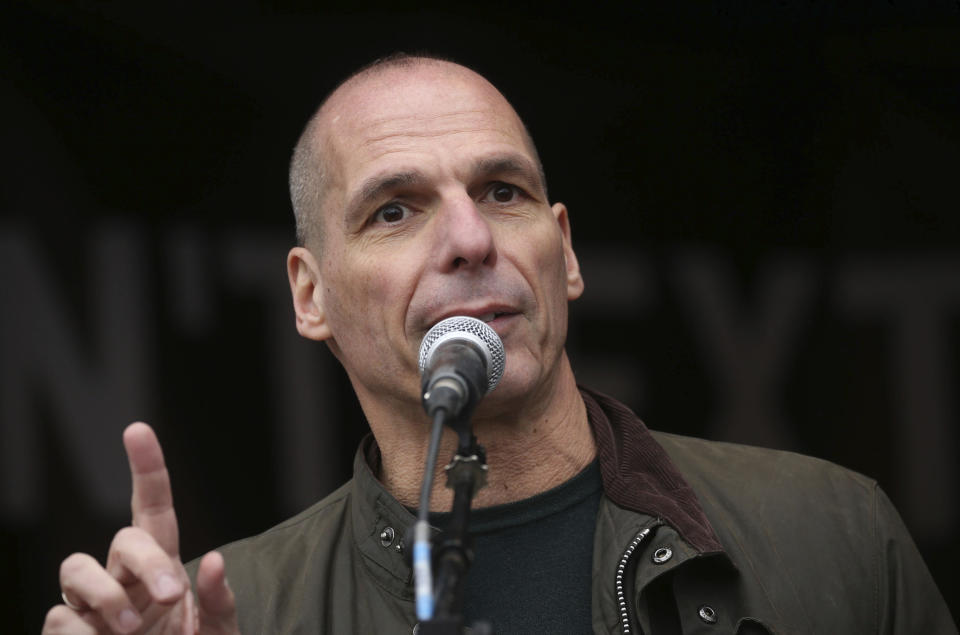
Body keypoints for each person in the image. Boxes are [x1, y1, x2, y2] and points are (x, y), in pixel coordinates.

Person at [44, 54, 955, 634]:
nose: (471, 239)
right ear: (310, 294)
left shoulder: (834, 532)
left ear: (563, 251)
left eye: (503, 192)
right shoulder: (234, 611)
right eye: (394, 211)